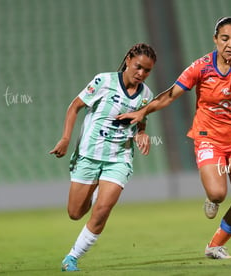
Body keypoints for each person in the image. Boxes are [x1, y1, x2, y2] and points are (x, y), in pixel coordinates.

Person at [117, 17, 231, 259]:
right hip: (209, 138)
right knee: (218, 194)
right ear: (215, 40)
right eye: (225, 38)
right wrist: (142, 111)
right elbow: (170, 95)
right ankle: (212, 198)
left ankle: (215, 245)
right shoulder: (201, 66)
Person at [50, 43, 157, 271]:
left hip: (119, 157)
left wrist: (142, 133)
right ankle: (96, 188)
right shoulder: (103, 81)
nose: (141, 74)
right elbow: (74, 107)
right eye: (138, 67)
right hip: (89, 155)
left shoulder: (146, 95)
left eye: (147, 70)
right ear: (128, 59)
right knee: (75, 213)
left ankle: (72, 257)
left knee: (103, 209)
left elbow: (141, 118)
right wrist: (66, 139)